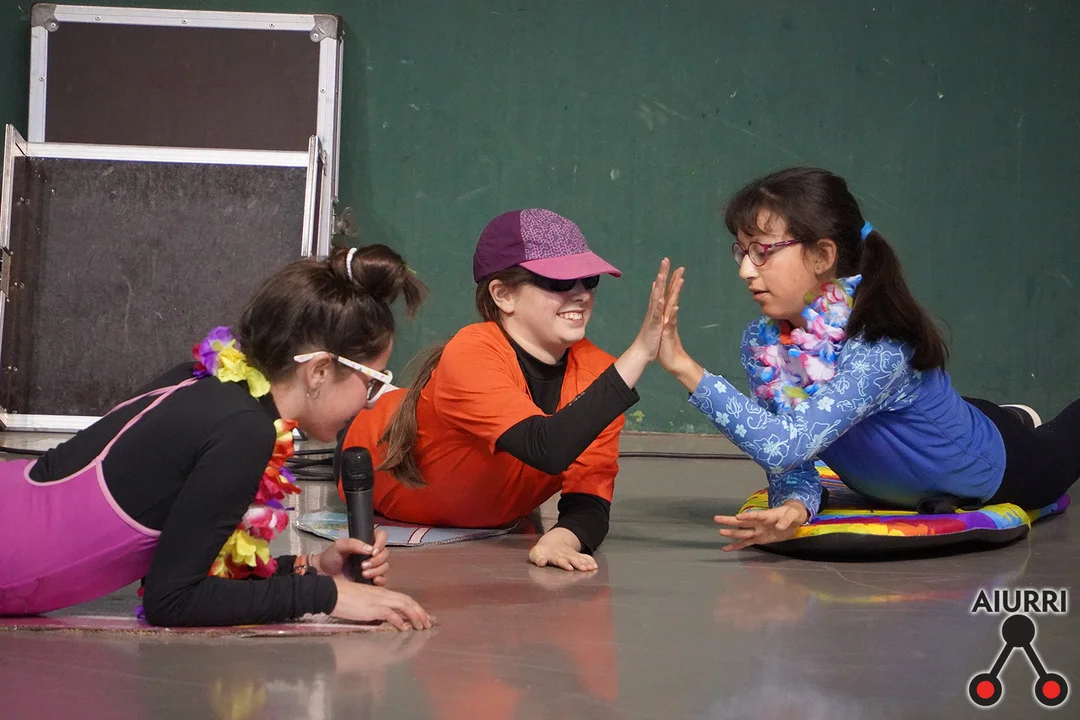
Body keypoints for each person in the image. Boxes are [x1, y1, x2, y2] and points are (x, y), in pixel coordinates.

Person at [1, 245, 433, 630]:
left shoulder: (212, 386)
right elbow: (172, 600)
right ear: (319, 371)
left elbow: (179, 563)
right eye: (373, 382)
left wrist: (311, 567)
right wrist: (328, 596)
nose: (371, 403)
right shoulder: (243, 431)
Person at [656, 167, 1080, 550]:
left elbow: (786, 445)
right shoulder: (762, 343)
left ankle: (1016, 423)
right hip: (925, 437)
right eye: (742, 251)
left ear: (822, 256)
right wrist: (796, 506)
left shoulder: (880, 346)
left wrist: (682, 366)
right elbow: (792, 462)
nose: (746, 271)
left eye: (763, 251)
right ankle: (1012, 415)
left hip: (994, 465)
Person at [339, 209, 672, 571]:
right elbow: (547, 447)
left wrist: (561, 539)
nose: (581, 295)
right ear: (503, 294)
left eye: (588, 279)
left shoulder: (599, 375)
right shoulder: (470, 351)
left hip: (483, 506)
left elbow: (588, 497)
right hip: (373, 455)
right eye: (559, 282)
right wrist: (640, 353)